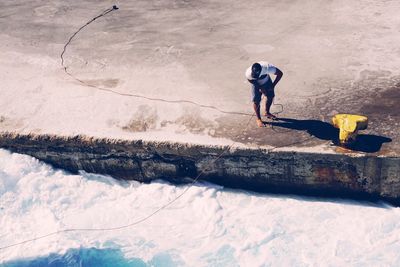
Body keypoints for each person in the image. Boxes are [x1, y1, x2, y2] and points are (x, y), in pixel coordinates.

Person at [245, 61, 283, 127]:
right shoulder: (248, 73)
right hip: (255, 84)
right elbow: (250, 80)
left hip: (266, 81)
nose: (256, 77)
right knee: (256, 101)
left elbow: (280, 73)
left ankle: (267, 112)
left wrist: (272, 85)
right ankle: (258, 119)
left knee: (270, 96)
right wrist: (260, 88)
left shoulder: (268, 67)